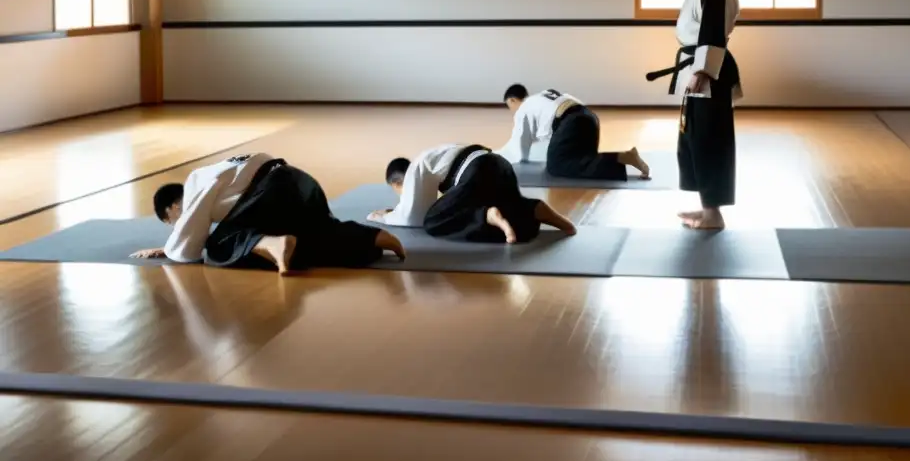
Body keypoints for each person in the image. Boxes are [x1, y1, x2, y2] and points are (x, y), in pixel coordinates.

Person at [131, 152, 405, 274]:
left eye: (172, 222)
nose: (177, 225)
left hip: (272, 192)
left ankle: (272, 244)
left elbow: (189, 249)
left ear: (174, 207)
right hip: (301, 182)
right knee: (317, 234)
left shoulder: (195, 184)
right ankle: (375, 238)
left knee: (216, 248)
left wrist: (170, 249)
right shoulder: (221, 172)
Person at [671, 0, 742, 230]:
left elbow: (713, 33)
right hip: (698, 69)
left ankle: (714, 214)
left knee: (710, 141)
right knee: (695, 140)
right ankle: (707, 207)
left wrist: (701, 72)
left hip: (707, 74)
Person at [368, 143, 576, 243]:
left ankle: (486, 215)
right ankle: (533, 209)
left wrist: (384, 216)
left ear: (398, 183)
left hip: (477, 173)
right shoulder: (440, 152)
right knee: (511, 208)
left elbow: (413, 216)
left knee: (433, 221)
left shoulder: (417, 166)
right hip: (499, 166)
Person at [497, 85, 650, 180]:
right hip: (588, 118)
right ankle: (620, 157)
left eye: (508, 106)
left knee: (556, 166)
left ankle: (622, 157)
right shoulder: (543, 95)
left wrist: (500, 157)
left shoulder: (523, 109)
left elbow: (520, 149)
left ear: (512, 100)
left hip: (572, 123)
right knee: (580, 158)